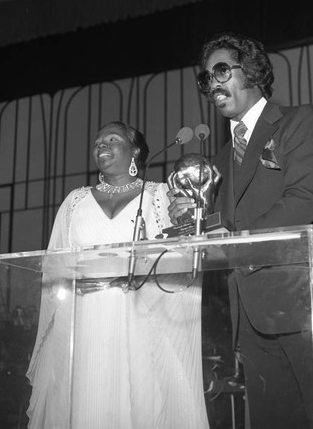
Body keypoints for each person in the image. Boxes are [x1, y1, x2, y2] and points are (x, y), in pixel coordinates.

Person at [168, 33, 313, 428]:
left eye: (221, 70)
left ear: (252, 70)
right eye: (206, 79)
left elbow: (303, 198)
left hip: (298, 300)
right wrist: (186, 219)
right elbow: (219, 227)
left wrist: (235, 241)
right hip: (248, 312)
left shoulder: (298, 120)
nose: (212, 85)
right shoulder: (220, 159)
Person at [27, 122, 209, 429]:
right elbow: (54, 267)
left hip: (140, 320)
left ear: (134, 151)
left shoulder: (160, 195)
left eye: (111, 139)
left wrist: (189, 222)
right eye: (98, 142)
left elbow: (179, 257)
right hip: (83, 322)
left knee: (139, 402)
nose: (101, 146)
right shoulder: (75, 201)